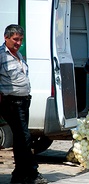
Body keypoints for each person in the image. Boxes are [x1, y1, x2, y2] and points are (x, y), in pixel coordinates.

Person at [0, 24, 48, 183]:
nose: (18, 42)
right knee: (25, 138)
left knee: (21, 140)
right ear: (6, 38)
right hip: (11, 102)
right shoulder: (2, 56)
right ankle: (32, 173)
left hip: (23, 101)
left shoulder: (18, 55)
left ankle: (19, 175)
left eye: (21, 40)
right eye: (15, 39)